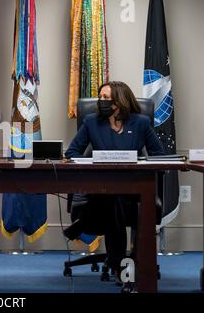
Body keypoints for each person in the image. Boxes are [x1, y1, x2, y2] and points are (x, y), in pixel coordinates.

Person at [64, 81, 165, 284]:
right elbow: (72, 153)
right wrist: (93, 163)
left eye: (105, 97)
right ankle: (123, 265)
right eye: (99, 97)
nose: (100, 101)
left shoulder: (140, 123)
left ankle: (90, 231)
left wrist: (141, 163)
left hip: (134, 189)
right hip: (101, 189)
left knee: (115, 199)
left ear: (119, 101)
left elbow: (159, 156)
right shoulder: (92, 122)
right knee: (113, 198)